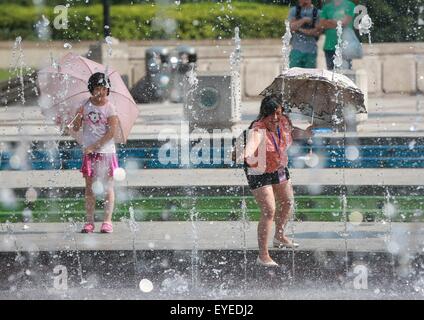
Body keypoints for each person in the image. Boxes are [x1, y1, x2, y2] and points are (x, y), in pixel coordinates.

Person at [243, 94, 313, 267]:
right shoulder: (258, 129)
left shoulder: (283, 122)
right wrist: (246, 152)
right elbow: (250, 147)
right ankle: (263, 255)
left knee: (288, 202)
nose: (274, 118)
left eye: (278, 113)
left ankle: (279, 236)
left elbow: (293, 132)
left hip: (278, 167)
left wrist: (308, 132)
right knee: (269, 210)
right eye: (270, 114)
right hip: (258, 170)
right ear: (263, 114)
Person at [72, 72, 119, 233]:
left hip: (106, 152)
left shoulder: (110, 108)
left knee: (108, 187)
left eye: (104, 89)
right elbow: (76, 128)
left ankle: (107, 221)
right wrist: (77, 118)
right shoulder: (85, 105)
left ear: (108, 90)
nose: (101, 92)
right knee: (90, 188)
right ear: (92, 89)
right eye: (98, 89)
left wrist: (95, 146)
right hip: (89, 153)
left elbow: (111, 133)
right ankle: (90, 221)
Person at [318, 0, 356, 70]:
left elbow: (345, 23)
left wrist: (330, 22)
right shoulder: (327, 7)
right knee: (330, 75)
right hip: (329, 46)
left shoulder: (350, 5)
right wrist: (338, 23)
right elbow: (321, 24)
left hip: (345, 46)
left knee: (345, 74)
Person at [288, 0, 322, 69]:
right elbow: (291, 27)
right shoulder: (294, 10)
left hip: (311, 51)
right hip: (296, 50)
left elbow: (317, 32)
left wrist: (299, 29)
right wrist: (304, 20)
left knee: (310, 76)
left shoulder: (317, 12)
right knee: (293, 75)